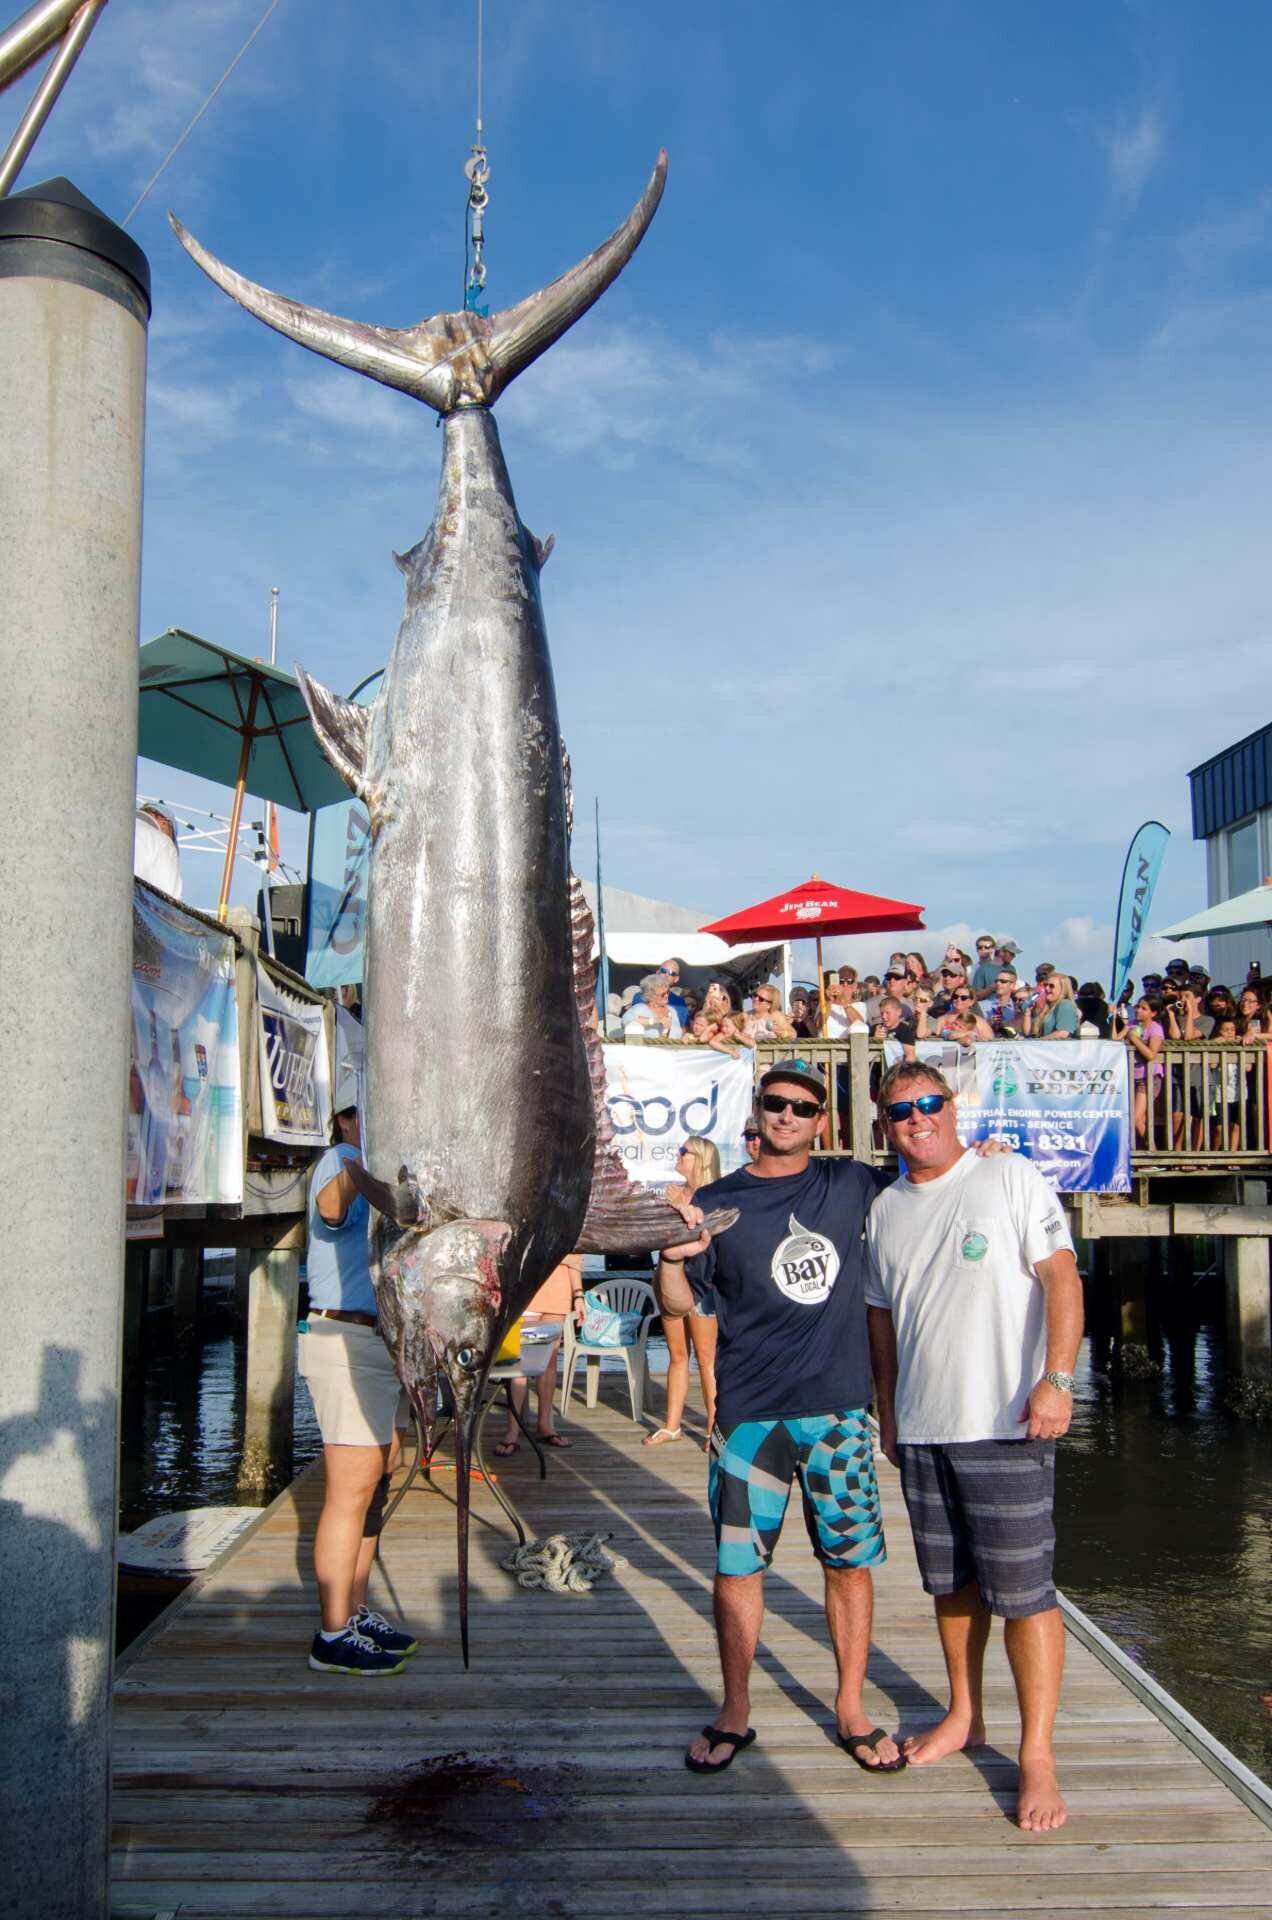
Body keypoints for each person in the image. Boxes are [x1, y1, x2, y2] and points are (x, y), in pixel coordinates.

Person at [661, 1060, 905, 1777]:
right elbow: (678, 1302)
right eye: (775, 1104)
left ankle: (852, 1709)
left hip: (838, 1411)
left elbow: (930, 1182)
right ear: (758, 1112)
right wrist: (674, 1255)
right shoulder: (714, 1200)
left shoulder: (851, 1183)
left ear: (821, 1122)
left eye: (803, 1108)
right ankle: (735, 1711)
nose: (788, 1116)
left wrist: (982, 1156)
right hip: (749, 1418)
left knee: (849, 1565)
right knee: (738, 1569)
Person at [864, 1059, 1083, 1833]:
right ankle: (965, 1716)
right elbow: (881, 1319)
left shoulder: (1009, 1176)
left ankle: (1037, 1755)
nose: (916, 1118)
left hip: (1006, 1422)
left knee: (1025, 1596)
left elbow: (1062, 1278)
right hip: (924, 1427)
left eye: (928, 1103)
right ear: (883, 1125)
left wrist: (1058, 1379)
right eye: (899, 1110)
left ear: (952, 1108)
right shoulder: (885, 1209)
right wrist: (887, 1411)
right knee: (950, 1587)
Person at [298, 1070, 418, 1676]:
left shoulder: (382, 1176)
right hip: (342, 1336)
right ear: (347, 1118)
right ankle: (330, 1633)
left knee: (379, 1477)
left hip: (378, 1343)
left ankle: (355, 1608)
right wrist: (362, 1155)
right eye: (367, 1110)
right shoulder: (341, 1159)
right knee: (350, 1489)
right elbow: (327, 1207)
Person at [645, 1136, 722, 1448]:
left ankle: (713, 1427)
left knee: (706, 1359)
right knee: (677, 1355)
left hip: (702, 1284)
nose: (678, 1155)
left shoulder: (712, 1196)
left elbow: (705, 1238)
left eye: (684, 1152)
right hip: (672, 1279)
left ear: (699, 1159)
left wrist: (681, 1206)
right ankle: (672, 1424)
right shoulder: (675, 1193)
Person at [494, 1254, 587, 1457]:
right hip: (528, 1289)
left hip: (559, 1290)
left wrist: (578, 1295)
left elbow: (575, 1258)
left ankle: (545, 1425)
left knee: (549, 1360)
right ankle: (512, 1431)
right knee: (521, 1364)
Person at [1112, 991, 1166, 1144]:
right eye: (1137, 1007)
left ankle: (1153, 1153)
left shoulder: (1155, 1028)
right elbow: (1115, 1039)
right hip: (1133, 1075)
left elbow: (1151, 1054)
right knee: (1139, 1118)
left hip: (1149, 1076)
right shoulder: (1132, 1024)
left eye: (1143, 1008)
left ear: (1153, 1013)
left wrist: (1134, 1038)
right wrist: (1114, 1019)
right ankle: (1150, 1152)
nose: (1138, 1011)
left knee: (1136, 1118)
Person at [133, 801, 182, 899]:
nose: (170, 840)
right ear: (164, 823)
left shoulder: (115, 823)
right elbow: (170, 899)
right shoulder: (163, 842)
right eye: (171, 836)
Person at [622, 971, 683, 1041]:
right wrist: (656, 1020)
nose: (667, 996)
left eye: (667, 992)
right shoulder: (640, 1008)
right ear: (650, 996)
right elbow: (625, 1021)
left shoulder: (672, 1011)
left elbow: (679, 1033)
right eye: (663, 994)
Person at [1023, 973, 1080, 1041]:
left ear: (1063, 989)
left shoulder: (1065, 1005)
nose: (1047, 988)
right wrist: (1027, 1014)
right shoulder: (1047, 1007)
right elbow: (1028, 1033)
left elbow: (1062, 1033)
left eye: (1051, 986)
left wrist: (1038, 1041)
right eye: (1045, 985)